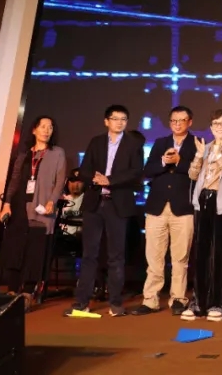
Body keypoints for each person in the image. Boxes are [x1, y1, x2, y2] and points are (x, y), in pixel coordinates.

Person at [65, 105, 144, 317]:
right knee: (89, 254)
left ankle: (116, 303)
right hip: (94, 202)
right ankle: (81, 302)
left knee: (116, 256)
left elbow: (136, 172)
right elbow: (84, 169)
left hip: (118, 204)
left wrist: (110, 180)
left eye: (123, 119)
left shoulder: (133, 144)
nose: (119, 122)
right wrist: (95, 179)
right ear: (106, 121)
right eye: (115, 118)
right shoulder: (97, 142)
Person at [132, 106, 197, 316]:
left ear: (190, 122)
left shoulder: (197, 143)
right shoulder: (161, 143)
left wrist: (179, 162)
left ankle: (178, 298)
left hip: (183, 207)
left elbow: (199, 173)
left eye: (182, 120)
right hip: (157, 207)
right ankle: (150, 299)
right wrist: (163, 161)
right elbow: (148, 170)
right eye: (174, 121)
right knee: (154, 256)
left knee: (180, 257)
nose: (177, 124)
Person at [184, 109, 222, 321]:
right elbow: (193, 175)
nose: (219, 127)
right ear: (211, 127)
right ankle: (198, 302)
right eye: (215, 124)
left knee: (220, 254)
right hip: (203, 201)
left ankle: (218, 304)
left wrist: (219, 156)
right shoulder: (206, 147)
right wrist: (199, 155)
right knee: (201, 253)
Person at [0, 116, 67, 304]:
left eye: (50, 127)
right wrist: (7, 204)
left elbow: (60, 180)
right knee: (16, 249)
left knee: (35, 251)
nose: (46, 130)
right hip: (20, 206)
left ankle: (28, 292)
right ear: (34, 130)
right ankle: (12, 290)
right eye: (43, 126)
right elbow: (14, 182)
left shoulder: (57, 153)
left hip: (43, 208)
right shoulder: (23, 155)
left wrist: (52, 200)